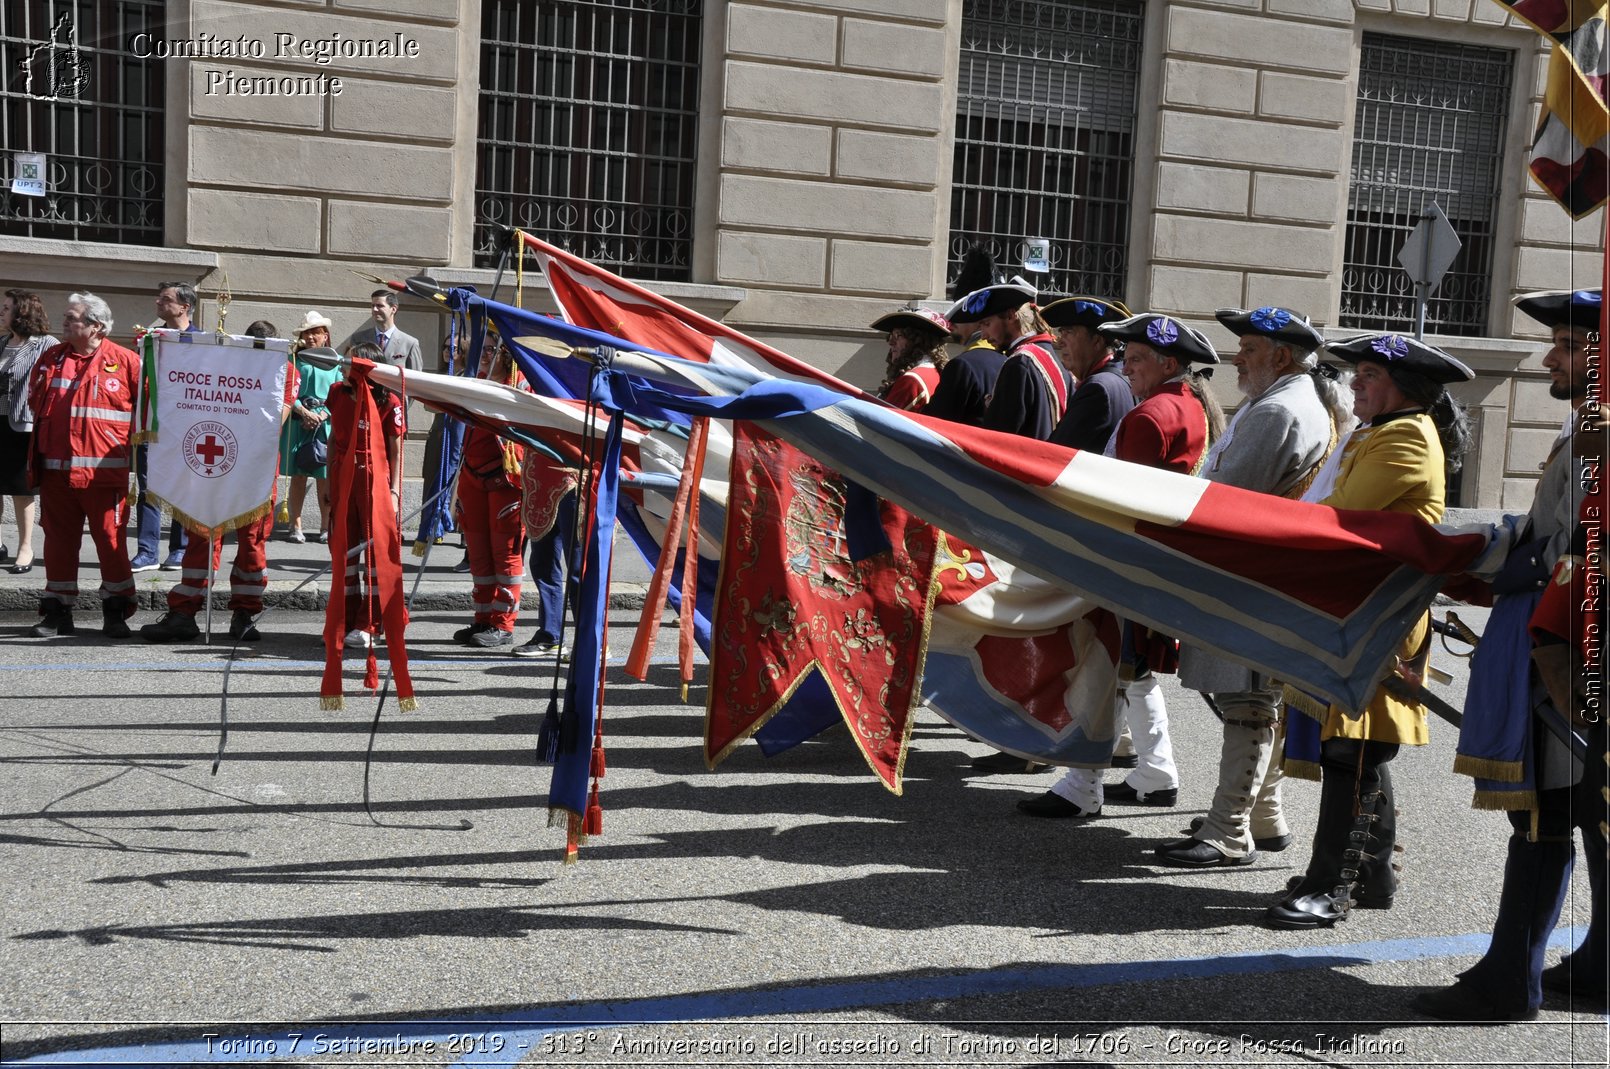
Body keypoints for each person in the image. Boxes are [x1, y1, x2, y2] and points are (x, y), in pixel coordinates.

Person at [1414, 288, 1607, 1021]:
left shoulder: (1598, 430)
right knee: (1579, 813)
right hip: (1564, 640)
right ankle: (1598, 965)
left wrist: (1499, 561)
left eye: (1567, 342)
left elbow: (1579, 552)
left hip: (1566, 649)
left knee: (1544, 818)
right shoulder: (1582, 424)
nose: (1550, 357)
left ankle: (1507, 982)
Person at [1264, 332, 1471, 928]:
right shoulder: (1377, 431)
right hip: (1359, 605)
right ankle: (1371, 873)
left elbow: (1341, 515)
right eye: (1356, 373)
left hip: (1382, 609)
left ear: (1405, 388)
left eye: (1370, 375)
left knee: (1353, 749)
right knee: (1353, 748)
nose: (1355, 382)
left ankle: (1336, 886)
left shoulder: (1406, 434)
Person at [1160, 306, 1345, 868]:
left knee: (1249, 702)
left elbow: (1224, 497)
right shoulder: (1293, 400)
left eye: (1249, 347)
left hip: (1252, 576)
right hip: (1265, 573)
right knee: (1259, 700)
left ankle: (1228, 830)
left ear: (1281, 357)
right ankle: (1264, 816)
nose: (1237, 356)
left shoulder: (1278, 411)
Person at [1016, 312, 1221, 817]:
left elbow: (1121, 501)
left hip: (1125, 561)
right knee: (1134, 670)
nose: (1126, 368)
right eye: (1125, 358)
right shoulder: (1189, 406)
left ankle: (1082, 786)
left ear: (1168, 362)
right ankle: (1156, 772)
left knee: (1100, 667)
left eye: (1136, 359)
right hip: (1156, 563)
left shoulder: (1152, 415)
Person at [140, 320, 297, 644]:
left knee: (252, 549)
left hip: (255, 472)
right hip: (215, 466)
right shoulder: (229, 364)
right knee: (201, 539)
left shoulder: (284, 368)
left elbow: (276, 420)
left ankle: (244, 614)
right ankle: (184, 613)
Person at [26, 293, 139, 638]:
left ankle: (116, 611)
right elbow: (34, 400)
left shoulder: (126, 362)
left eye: (72, 317)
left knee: (110, 541)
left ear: (96, 326)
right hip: (57, 472)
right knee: (58, 542)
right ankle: (57, 612)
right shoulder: (51, 358)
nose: (64, 321)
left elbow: (148, 413)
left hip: (103, 476)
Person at [329, 341, 407, 649]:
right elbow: (335, 438)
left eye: (350, 363)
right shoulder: (336, 393)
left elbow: (397, 451)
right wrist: (329, 488)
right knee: (344, 551)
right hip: (342, 475)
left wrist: (396, 491)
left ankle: (370, 622)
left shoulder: (390, 400)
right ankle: (343, 618)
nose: (344, 367)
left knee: (375, 554)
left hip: (374, 477)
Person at [453, 342, 527, 649]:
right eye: (483, 350)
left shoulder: (521, 385)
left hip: (505, 480)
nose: (485, 355)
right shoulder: (476, 380)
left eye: (491, 349)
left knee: (505, 554)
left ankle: (502, 624)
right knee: (479, 556)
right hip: (473, 477)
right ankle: (483, 618)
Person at [131, 281, 195, 572]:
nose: (158, 302)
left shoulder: (201, 342)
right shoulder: (151, 338)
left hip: (184, 428)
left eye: (165, 299)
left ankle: (180, 550)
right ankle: (146, 552)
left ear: (184, 306)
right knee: (148, 489)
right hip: (152, 425)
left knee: (182, 489)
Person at [967, 281, 1070, 440]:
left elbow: (999, 437)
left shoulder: (1020, 364)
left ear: (1010, 315)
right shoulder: (1055, 360)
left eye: (987, 324)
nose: (983, 336)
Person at [0, 289, 56, 574]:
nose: (1, 312)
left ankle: (25, 548)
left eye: (7, 307)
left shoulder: (45, 344)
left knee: (21, 490)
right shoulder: (1, 342)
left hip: (22, 425)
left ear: (22, 312)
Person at [1043, 295, 1135, 452]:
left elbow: (1056, 451)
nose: (1060, 341)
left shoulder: (1097, 388)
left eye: (1069, 332)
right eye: (1062, 332)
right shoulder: (1118, 377)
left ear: (1097, 342)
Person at [279, 312, 341, 544]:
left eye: (316, 332)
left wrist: (324, 414)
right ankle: (296, 525)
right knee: (299, 475)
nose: (311, 337)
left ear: (326, 336)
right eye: (307, 333)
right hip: (298, 422)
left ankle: (326, 526)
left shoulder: (336, 361)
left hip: (325, 425)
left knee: (325, 476)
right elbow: (286, 389)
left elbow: (341, 390)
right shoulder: (293, 360)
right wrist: (303, 412)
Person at [926, 247, 1005, 427]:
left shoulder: (963, 366)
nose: (951, 322)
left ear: (980, 320)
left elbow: (934, 426)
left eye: (961, 314)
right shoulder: (1009, 359)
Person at [870, 306, 951, 412]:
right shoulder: (933, 373)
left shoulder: (912, 380)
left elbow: (880, 421)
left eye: (898, 336)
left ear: (919, 340)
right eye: (891, 336)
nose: (891, 342)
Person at [340, 289, 422, 372]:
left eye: (379, 306)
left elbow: (416, 378)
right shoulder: (358, 339)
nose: (374, 309)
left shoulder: (410, 343)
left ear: (393, 309)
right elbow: (350, 371)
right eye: (373, 306)